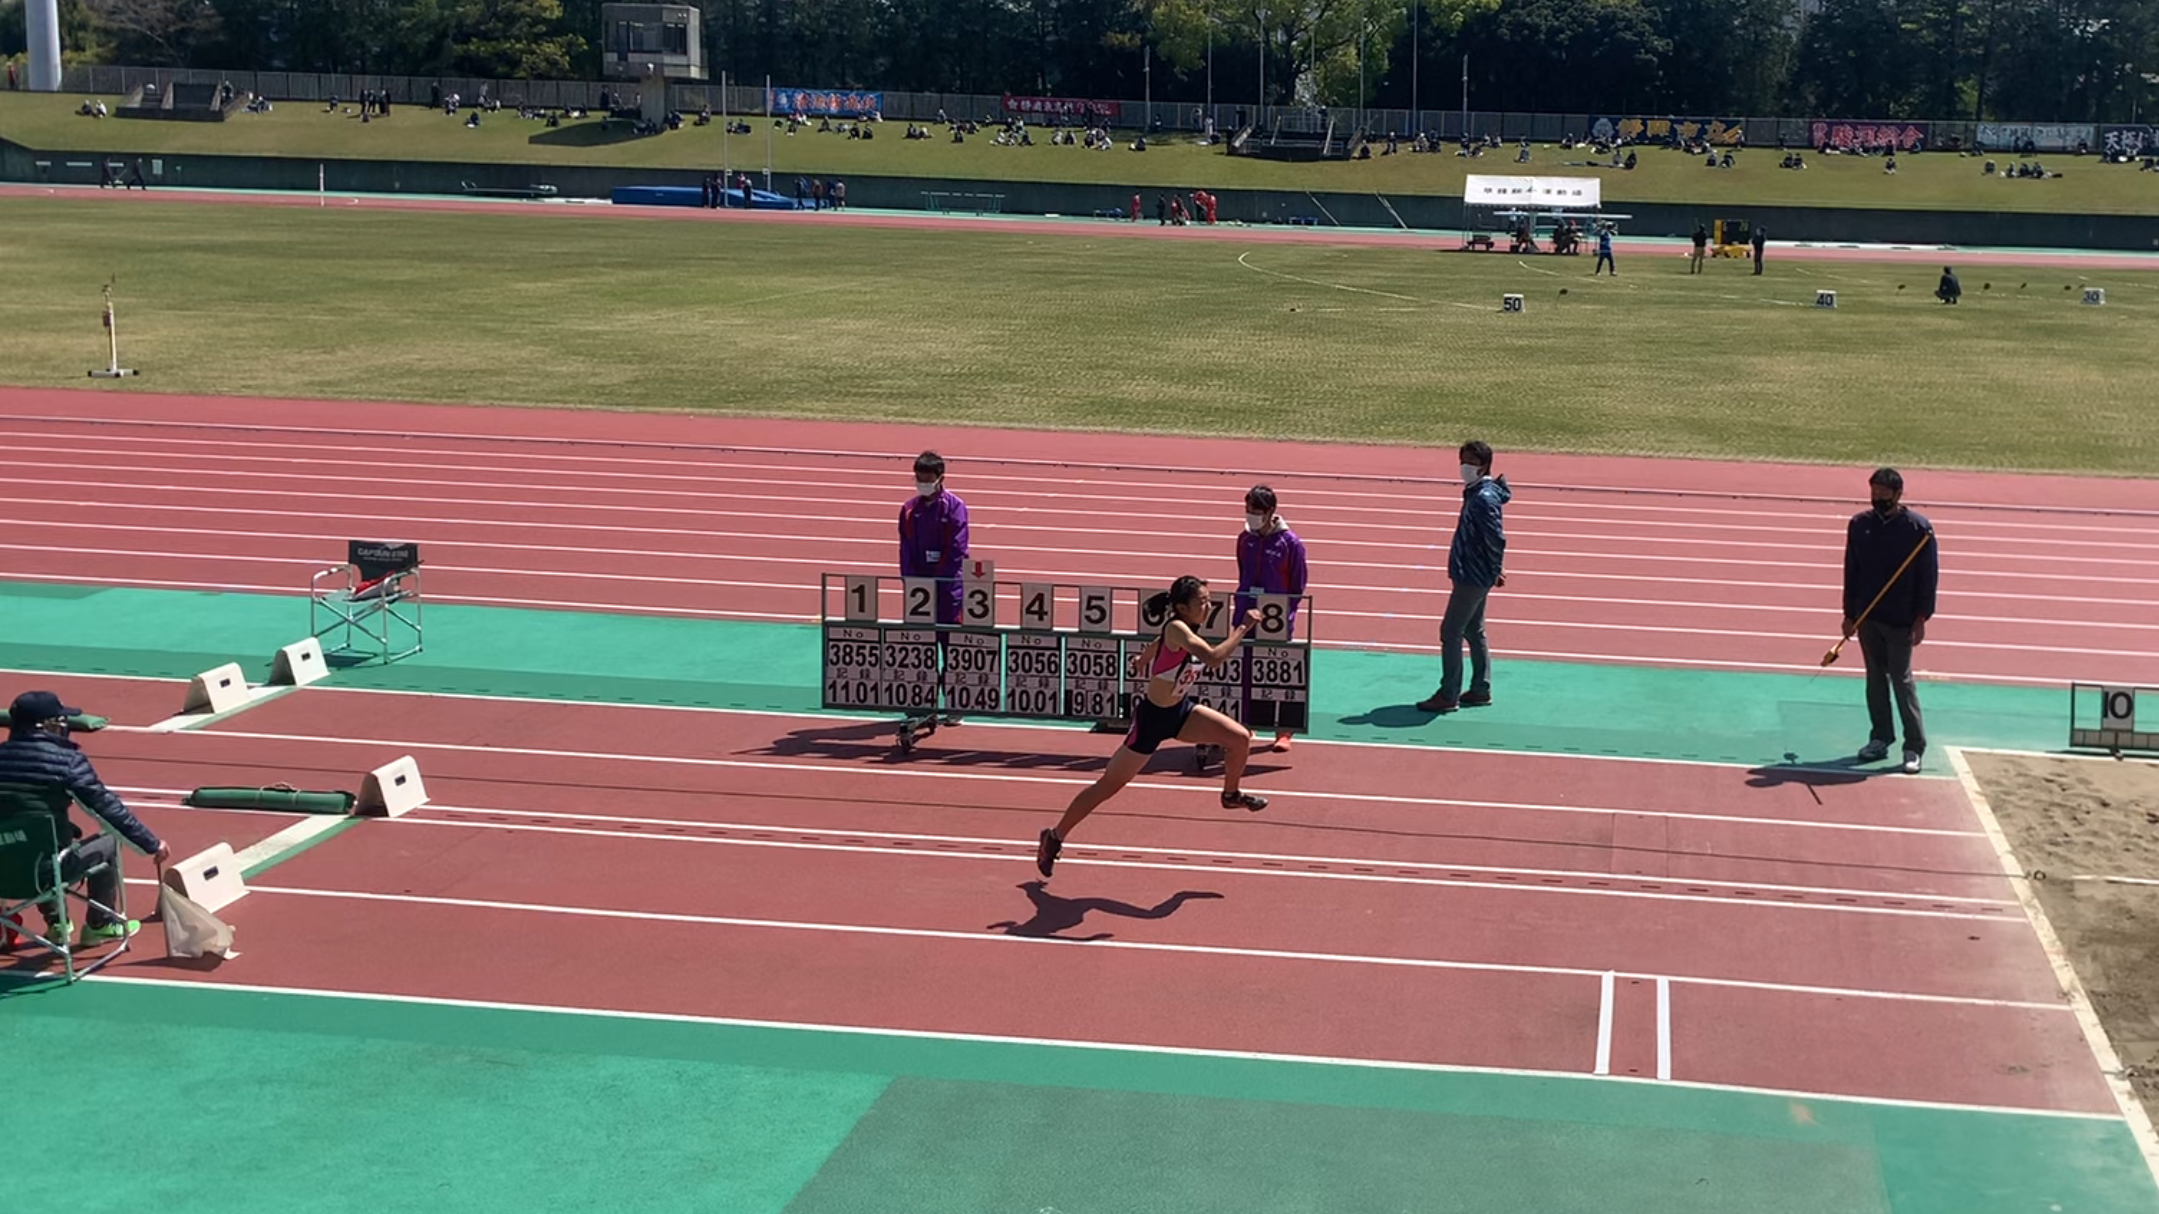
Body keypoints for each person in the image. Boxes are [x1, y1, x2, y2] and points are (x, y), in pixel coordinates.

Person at [1036, 577, 1268, 878]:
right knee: (1108, 786)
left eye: (1209, 600)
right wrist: (1243, 627)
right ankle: (1054, 837)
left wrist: (1140, 661)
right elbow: (1212, 658)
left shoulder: (1181, 629)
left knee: (1238, 738)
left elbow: (1157, 645)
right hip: (1152, 721)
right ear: (1183, 608)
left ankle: (1231, 795)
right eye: (1202, 602)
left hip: (1180, 712)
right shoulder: (1177, 628)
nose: (1208, 606)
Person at [0, 690, 168, 947]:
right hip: (46, 872)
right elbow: (106, 809)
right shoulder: (66, 761)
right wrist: (150, 844)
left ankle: (57, 923)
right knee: (102, 842)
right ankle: (99, 925)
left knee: (29, 840)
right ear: (49, 725)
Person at [1842, 469, 1938, 774]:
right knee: (1874, 679)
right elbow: (1851, 570)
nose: (1878, 498)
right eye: (1874, 492)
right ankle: (1880, 738)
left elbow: (1928, 577)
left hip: (1900, 619)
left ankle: (1913, 747)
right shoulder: (1860, 525)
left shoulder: (1918, 529)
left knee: (1901, 680)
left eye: (1884, 493)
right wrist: (1849, 614)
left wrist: (1921, 618)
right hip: (1868, 616)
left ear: (1898, 494)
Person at [1418, 442, 1511, 714]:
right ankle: (1481, 689)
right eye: (1462, 460)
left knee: (1450, 631)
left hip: (1473, 575)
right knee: (1474, 629)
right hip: (1472, 571)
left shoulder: (1483, 498)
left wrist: (1495, 568)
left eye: (1470, 461)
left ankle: (1449, 693)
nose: (1464, 466)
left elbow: (1495, 537)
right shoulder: (1478, 492)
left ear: (1483, 465)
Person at [1233, 484, 1308, 752]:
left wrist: (1285, 615)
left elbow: (1297, 586)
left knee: (1278, 674)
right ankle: (1248, 722)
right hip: (1245, 613)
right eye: (1247, 510)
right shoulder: (1245, 538)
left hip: (1275, 619)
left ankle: (1284, 731)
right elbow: (1242, 571)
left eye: (1255, 511)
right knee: (1245, 671)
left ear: (1270, 512)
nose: (1250, 515)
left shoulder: (1291, 544)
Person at [899, 451, 969, 723]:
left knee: (951, 648)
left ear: (941, 478)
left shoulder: (954, 507)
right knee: (920, 648)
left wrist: (939, 582)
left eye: (927, 479)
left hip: (948, 591)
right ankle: (922, 703)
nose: (922, 484)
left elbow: (957, 550)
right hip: (919, 592)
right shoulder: (909, 510)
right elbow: (905, 549)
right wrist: (912, 582)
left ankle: (954, 705)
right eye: (919, 479)